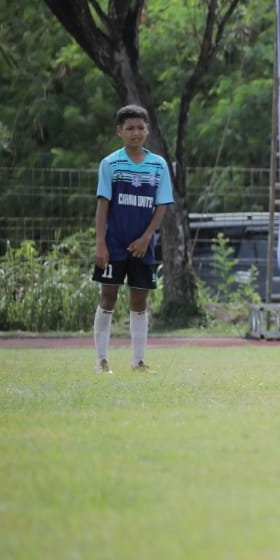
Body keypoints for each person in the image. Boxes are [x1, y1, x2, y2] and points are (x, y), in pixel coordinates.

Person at [92, 104, 175, 373]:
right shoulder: (110, 163)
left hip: (143, 246)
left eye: (140, 127)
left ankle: (138, 361)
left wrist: (147, 238)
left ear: (148, 130)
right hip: (114, 244)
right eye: (130, 128)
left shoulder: (158, 165)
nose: (135, 133)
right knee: (108, 299)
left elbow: (161, 205)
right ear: (120, 131)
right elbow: (103, 204)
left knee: (139, 302)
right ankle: (101, 361)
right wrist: (101, 243)